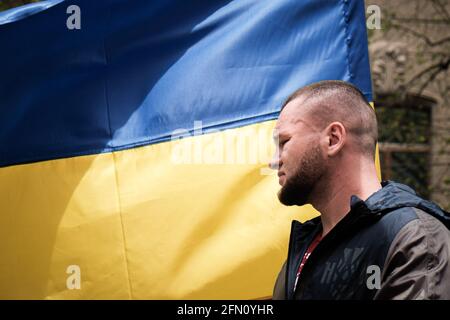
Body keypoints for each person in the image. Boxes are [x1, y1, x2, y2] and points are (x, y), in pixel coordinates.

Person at [270, 80, 450, 300]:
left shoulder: (414, 239)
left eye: (284, 141)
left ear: (333, 139)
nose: (273, 161)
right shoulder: (303, 250)